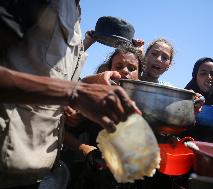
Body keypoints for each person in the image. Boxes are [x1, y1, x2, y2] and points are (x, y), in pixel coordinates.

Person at [0, 1, 140, 188]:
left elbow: (52, 80)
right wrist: (73, 93)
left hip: (34, 171)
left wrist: (89, 83)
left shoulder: (73, 13)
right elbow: (65, 90)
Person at [62, 47, 144, 189]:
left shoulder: (145, 106)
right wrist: (84, 149)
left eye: (132, 68)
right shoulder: (96, 101)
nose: (125, 71)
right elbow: (64, 133)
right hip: (95, 177)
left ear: (139, 75)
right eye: (119, 66)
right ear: (109, 70)